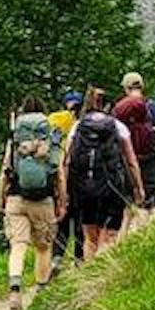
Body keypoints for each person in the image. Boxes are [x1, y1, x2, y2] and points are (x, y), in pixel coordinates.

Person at [0, 97, 66, 310]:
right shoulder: (49, 138)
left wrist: (1, 197)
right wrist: (61, 201)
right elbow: (59, 173)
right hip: (43, 200)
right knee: (43, 247)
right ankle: (41, 292)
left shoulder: (16, 139)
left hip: (16, 198)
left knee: (18, 245)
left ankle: (15, 288)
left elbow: (5, 171)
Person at [66, 87, 144, 258]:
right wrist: (138, 188)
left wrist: (65, 190)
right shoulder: (118, 127)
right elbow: (131, 162)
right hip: (112, 188)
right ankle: (99, 277)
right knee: (108, 237)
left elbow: (66, 160)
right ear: (110, 106)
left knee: (90, 238)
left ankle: (87, 278)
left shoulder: (78, 126)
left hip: (85, 188)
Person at [112, 69, 155, 226]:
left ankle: (122, 242)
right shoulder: (154, 108)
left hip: (126, 161)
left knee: (126, 204)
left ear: (125, 88)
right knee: (147, 204)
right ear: (142, 87)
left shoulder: (119, 109)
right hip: (149, 160)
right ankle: (141, 239)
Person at [49, 91, 85, 267]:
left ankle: (57, 257)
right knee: (79, 218)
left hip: (57, 174)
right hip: (78, 176)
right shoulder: (82, 123)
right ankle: (79, 258)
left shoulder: (54, 121)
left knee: (62, 217)